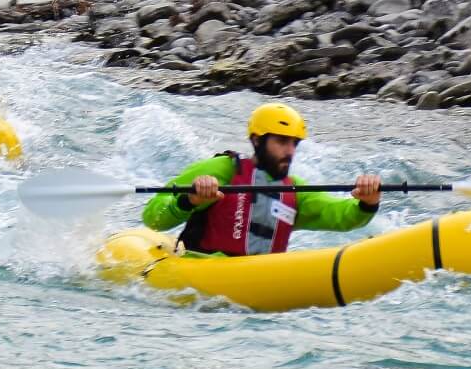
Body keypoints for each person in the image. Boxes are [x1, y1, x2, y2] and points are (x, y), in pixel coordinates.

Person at [142, 102, 381, 255]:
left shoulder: (294, 190)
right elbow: (154, 217)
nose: (290, 152)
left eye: (294, 144)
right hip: (199, 271)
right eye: (281, 142)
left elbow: (340, 215)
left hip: (259, 278)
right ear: (257, 140)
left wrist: (367, 203)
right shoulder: (221, 170)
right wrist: (188, 201)